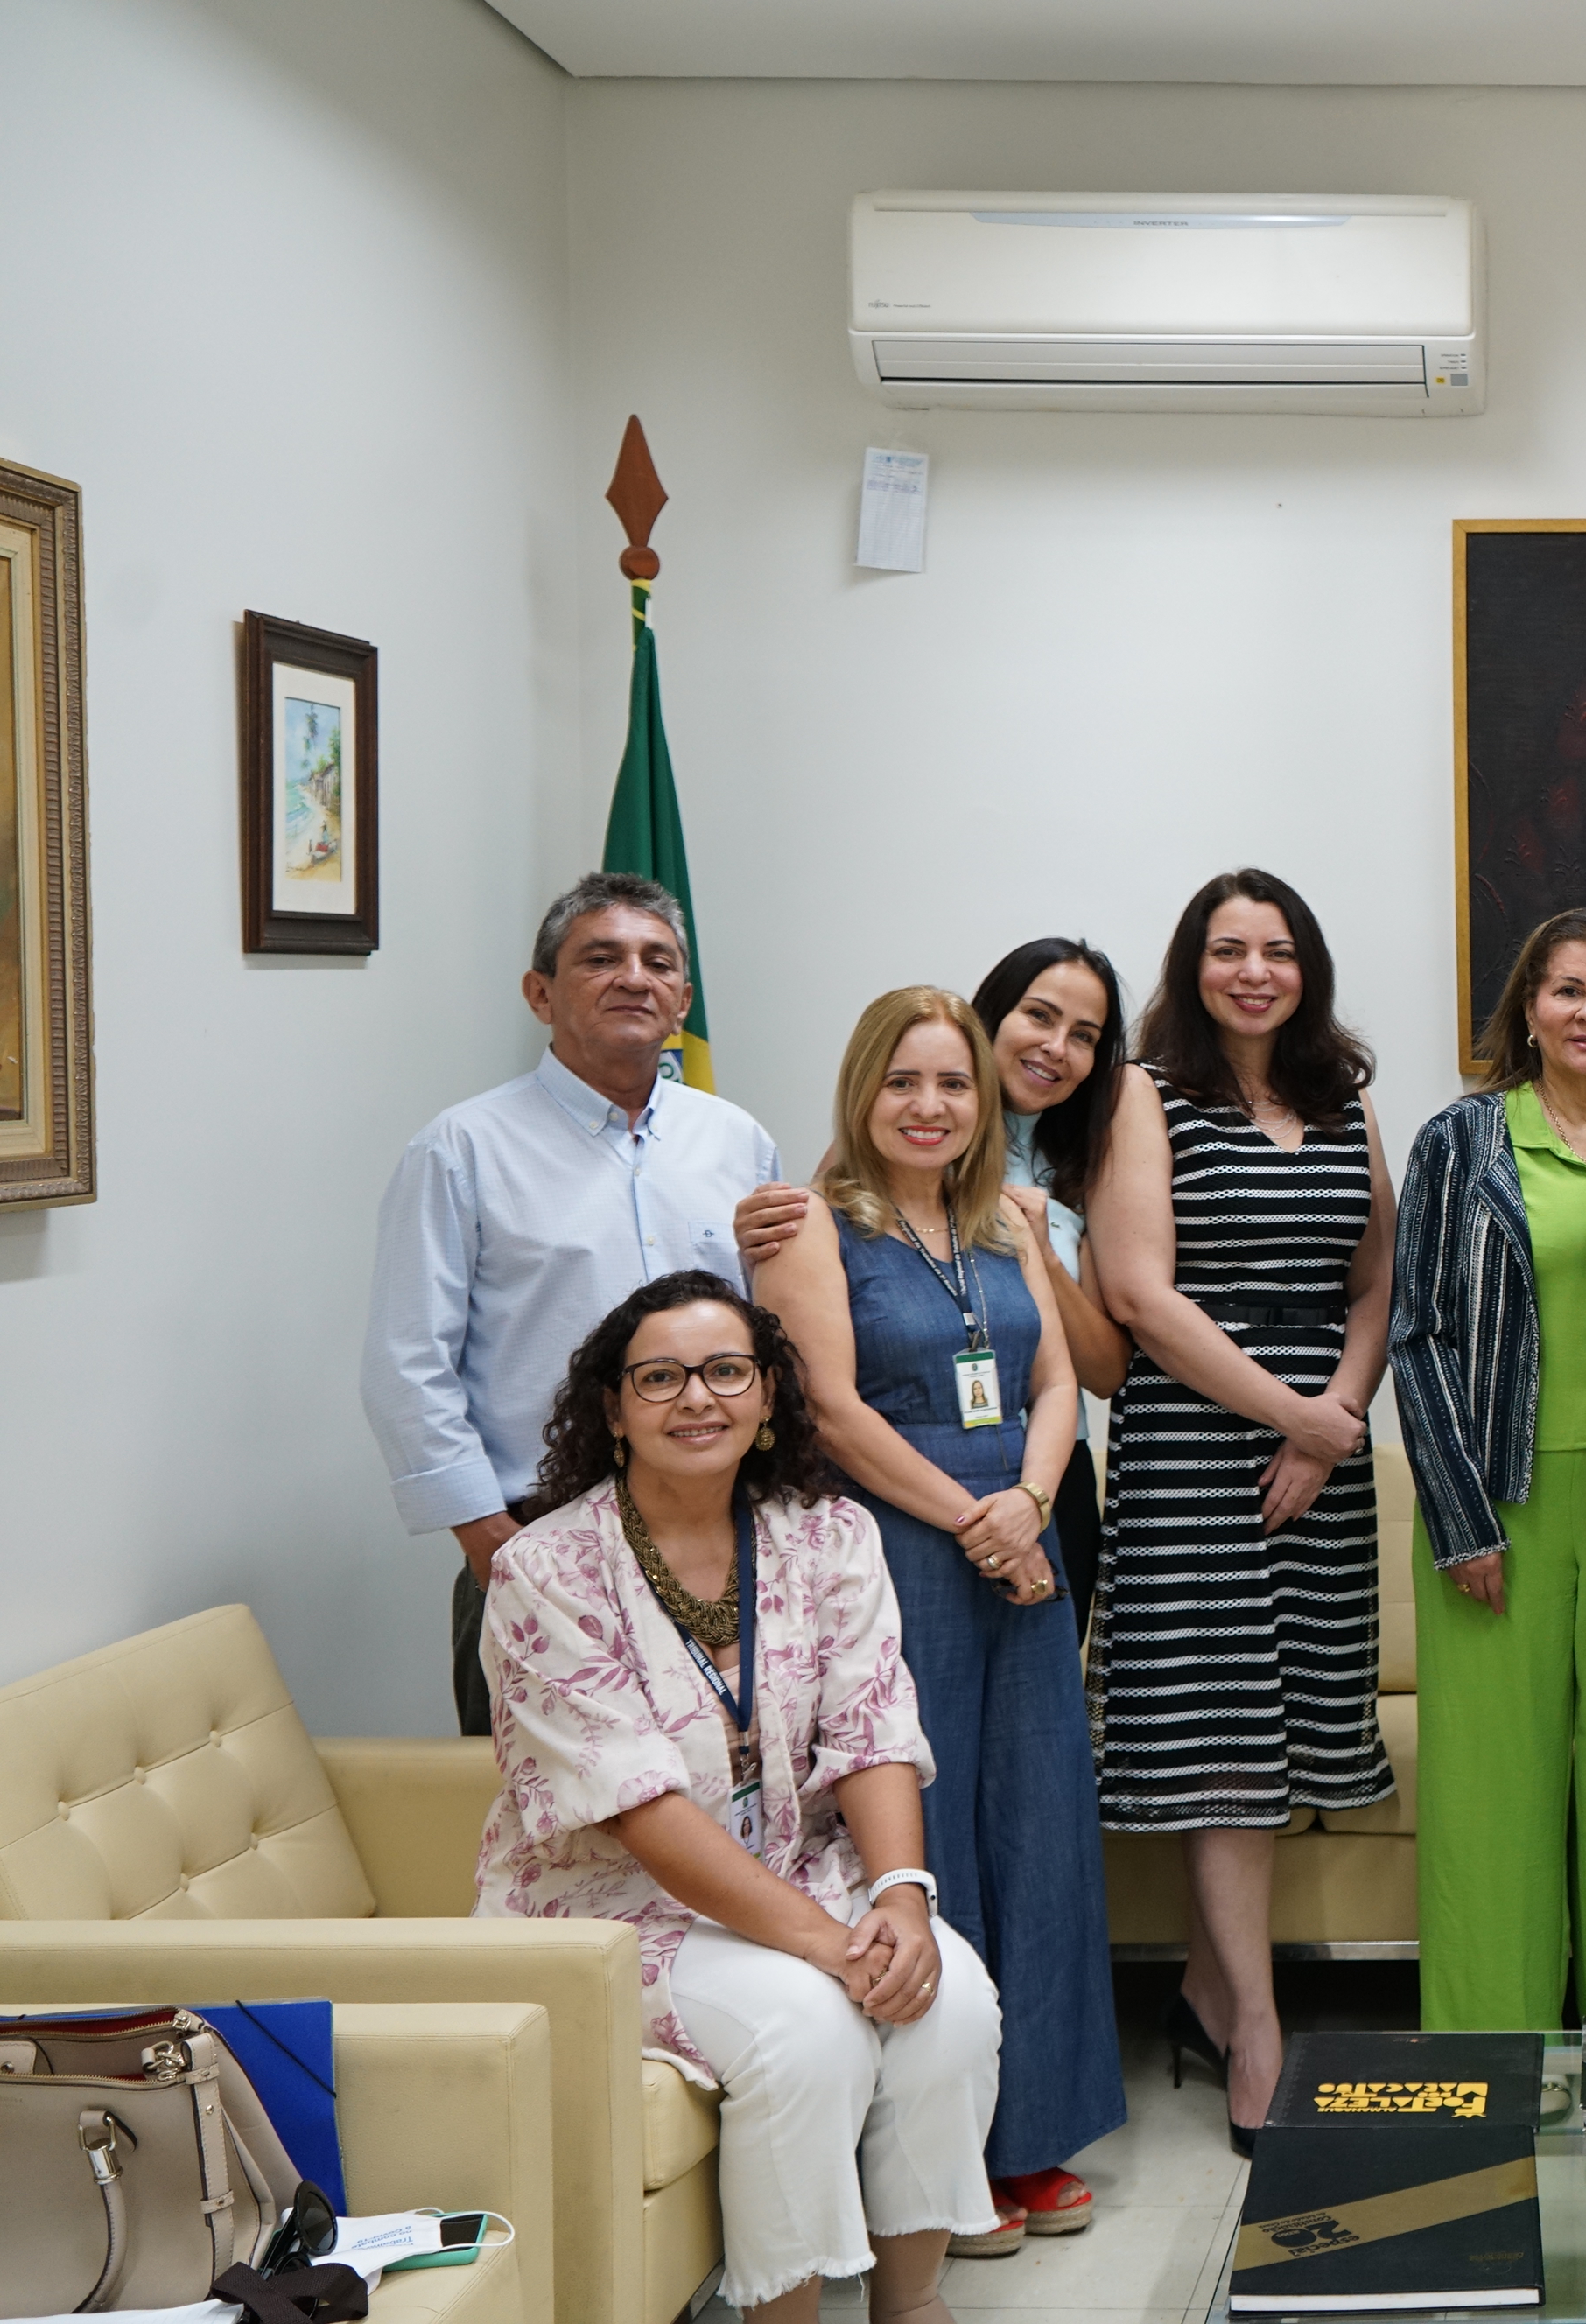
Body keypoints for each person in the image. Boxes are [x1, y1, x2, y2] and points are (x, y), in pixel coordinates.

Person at [474, 1270, 1007, 2314]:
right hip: (617, 1914)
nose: (696, 1398)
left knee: (953, 1999)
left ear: (767, 1396)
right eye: (659, 1377)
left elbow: (873, 1731)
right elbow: (641, 1809)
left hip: (806, 1872)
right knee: (802, 2027)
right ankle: (785, 2310)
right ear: (614, 1408)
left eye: (725, 1371)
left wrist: (901, 1895)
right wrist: (822, 1943)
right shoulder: (545, 1570)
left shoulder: (829, 1534)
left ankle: (911, 2304)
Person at [753, 988, 1123, 2244]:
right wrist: (974, 1519)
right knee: (922, 1825)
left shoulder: (1008, 1216)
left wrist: (1026, 1500)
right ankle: (933, 2161)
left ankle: (1033, 2138)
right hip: (895, 1554)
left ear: (982, 1101)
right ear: (864, 1092)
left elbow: (1059, 1380)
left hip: (1024, 1544)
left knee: (1040, 1824)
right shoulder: (811, 1225)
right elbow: (831, 1412)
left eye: (952, 1085)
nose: (929, 1106)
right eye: (903, 1082)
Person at [1085, 870, 1397, 2153]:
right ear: (1191, 966)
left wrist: (1332, 1424)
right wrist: (1293, 1415)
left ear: (1308, 967)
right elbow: (1141, 1298)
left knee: (1292, 1724)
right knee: (1222, 1740)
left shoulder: (1346, 1101)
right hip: (1191, 1444)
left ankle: (1208, 1992)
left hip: (1318, 1444)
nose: (1254, 971)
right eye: (1229, 950)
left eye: (1278, 950)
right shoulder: (1143, 1095)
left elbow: (1378, 1280)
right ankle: (1258, 2031)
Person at [365, 871, 780, 1737]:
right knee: (549, 1837)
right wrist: (492, 1543)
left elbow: (765, 1336)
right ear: (540, 992)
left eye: (657, 961)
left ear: (683, 999)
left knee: (728, 1804)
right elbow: (408, 1363)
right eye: (601, 957)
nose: (634, 976)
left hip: (720, 1539)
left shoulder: (737, 1140)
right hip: (538, 1540)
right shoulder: (462, 1148)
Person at [1391, 908, 1586, 2029]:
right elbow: (1416, 1336)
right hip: (1493, 1505)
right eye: (1569, 990)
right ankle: (1496, 2074)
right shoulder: (1459, 1142)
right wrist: (1461, 1517)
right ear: (1528, 1007)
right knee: (1493, 1809)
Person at [739, 941, 1136, 1628]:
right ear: (990, 1021)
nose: (1055, 1047)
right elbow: (847, 1270)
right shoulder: (905, 1137)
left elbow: (1099, 1373)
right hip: (903, 1484)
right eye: (1039, 1016)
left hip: (1040, 1473)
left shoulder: (1086, 1162)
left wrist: (1037, 1252)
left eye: (1084, 1036)